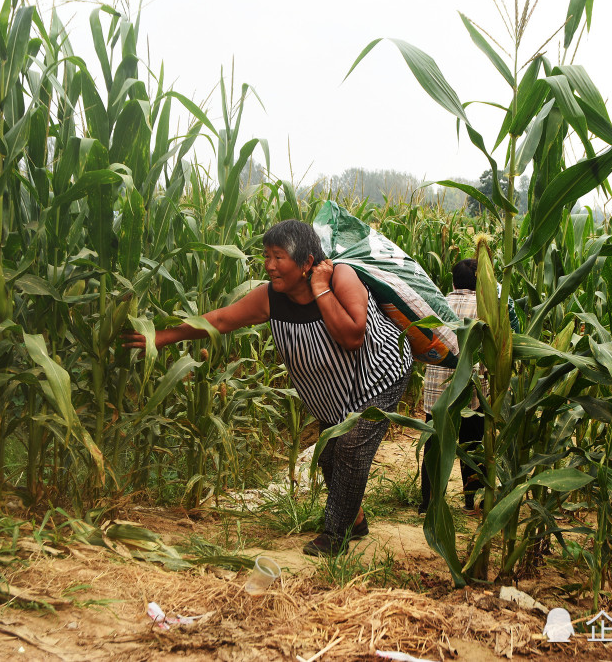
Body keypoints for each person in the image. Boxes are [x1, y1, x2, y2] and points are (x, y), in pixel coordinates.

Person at [122, 219, 412, 556]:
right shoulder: (271, 298)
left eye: (279, 257)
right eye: (267, 256)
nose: (269, 265)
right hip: (335, 392)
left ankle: (336, 535)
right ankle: (355, 519)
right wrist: (160, 337)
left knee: (349, 444)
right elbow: (220, 320)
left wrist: (321, 290)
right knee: (330, 454)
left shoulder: (342, 278)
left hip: (379, 375)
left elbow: (351, 337)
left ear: (307, 263)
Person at [418, 258, 485, 515]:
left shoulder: (438, 303)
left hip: (437, 389)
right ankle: (473, 501)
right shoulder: (484, 306)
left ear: (454, 282)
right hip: (471, 389)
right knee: (472, 444)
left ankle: (429, 503)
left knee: (434, 445)